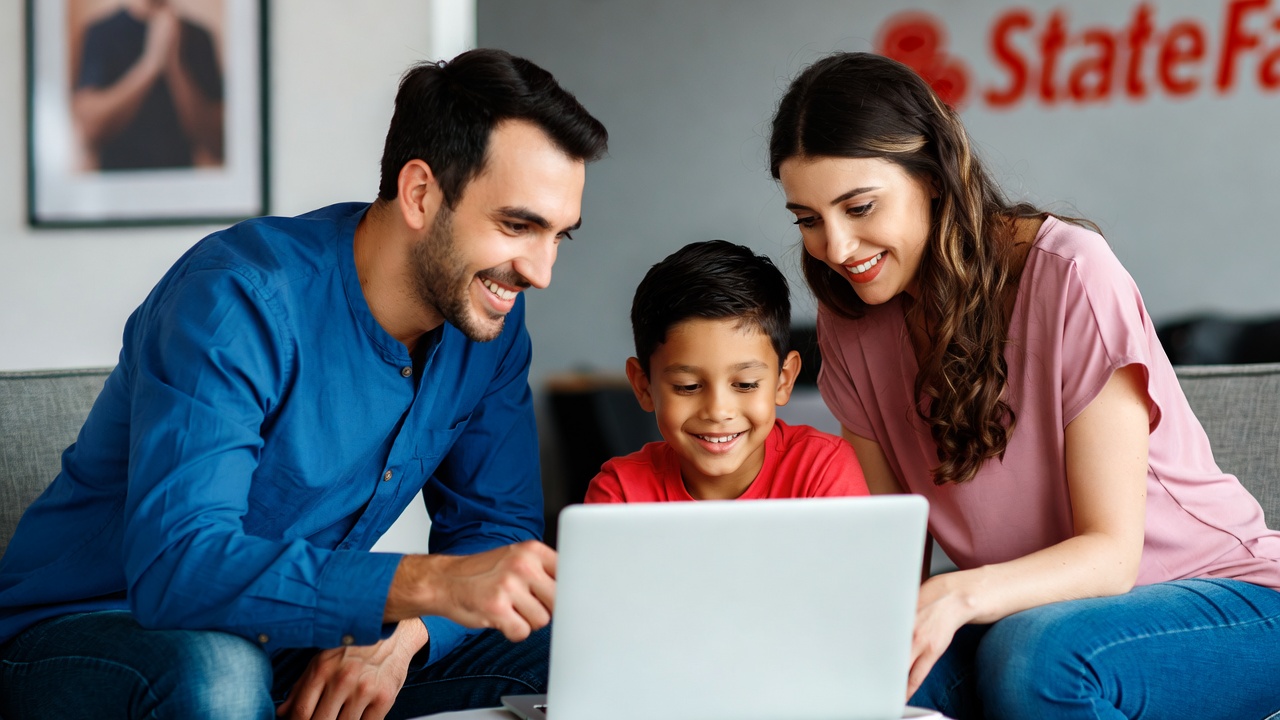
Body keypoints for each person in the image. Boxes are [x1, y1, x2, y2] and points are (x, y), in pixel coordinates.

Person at [0, 48, 607, 720]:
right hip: (87, 632)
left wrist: (407, 633)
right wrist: (422, 586)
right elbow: (181, 566)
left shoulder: (488, 326)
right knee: (217, 672)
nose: (540, 271)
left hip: (280, 632)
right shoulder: (236, 300)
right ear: (420, 194)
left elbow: (494, 530)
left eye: (560, 237)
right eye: (517, 226)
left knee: (574, 642)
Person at [769, 51, 1280, 720]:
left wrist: (958, 596)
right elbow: (891, 557)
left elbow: (1110, 559)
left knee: (1039, 659)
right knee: (869, 677)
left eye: (859, 207)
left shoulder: (1071, 274)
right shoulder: (850, 321)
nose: (835, 248)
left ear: (931, 175)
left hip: (1229, 600)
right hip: (1032, 615)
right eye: (808, 219)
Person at [585, 240, 868, 504]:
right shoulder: (620, 494)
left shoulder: (821, 470)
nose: (718, 411)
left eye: (745, 385)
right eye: (688, 386)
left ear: (783, 381)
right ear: (644, 386)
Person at [72, 0, 224, 170]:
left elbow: (218, 142)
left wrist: (175, 66)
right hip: (117, 189)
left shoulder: (199, 36)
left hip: (180, 187)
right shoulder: (101, 34)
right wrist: (151, 64)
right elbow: (89, 130)